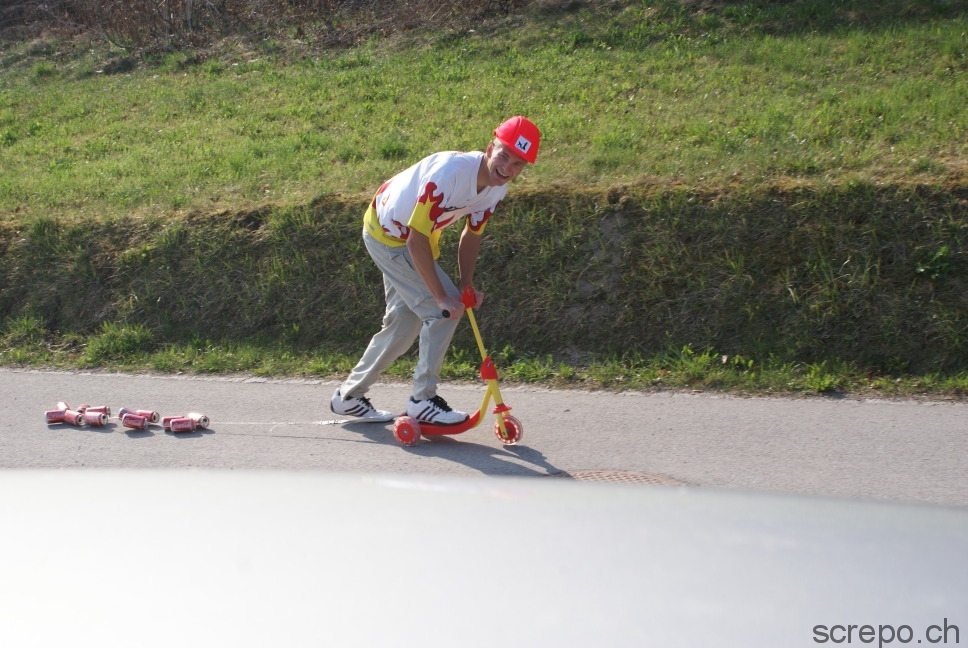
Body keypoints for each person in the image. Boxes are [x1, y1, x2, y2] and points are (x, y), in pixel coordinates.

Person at [330, 116, 541, 424]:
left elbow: (472, 235)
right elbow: (415, 240)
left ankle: (348, 397)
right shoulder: (450, 174)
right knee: (442, 312)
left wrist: (466, 285)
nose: (507, 168)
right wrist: (443, 297)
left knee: (403, 325)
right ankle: (422, 400)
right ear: (489, 148)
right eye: (504, 156)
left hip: (415, 237)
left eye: (518, 164)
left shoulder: (497, 188)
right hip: (389, 236)